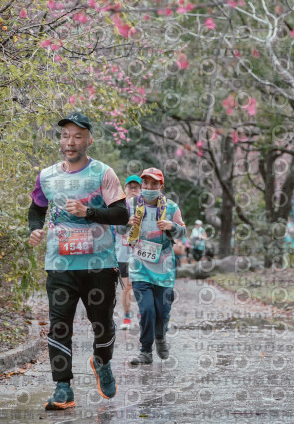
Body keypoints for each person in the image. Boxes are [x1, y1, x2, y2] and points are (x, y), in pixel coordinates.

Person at [28, 112, 129, 410]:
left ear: (89, 140)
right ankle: (63, 388)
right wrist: (35, 229)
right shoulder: (47, 176)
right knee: (59, 325)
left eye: (77, 136)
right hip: (60, 265)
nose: (70, 142)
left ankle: (102, 362)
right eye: (65, 136)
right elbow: (36, 209)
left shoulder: (103, 173)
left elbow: (121, 214)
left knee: (102, 325)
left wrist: (89, 212)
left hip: (100, 265)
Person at [116, 167, 186, 365]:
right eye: (146, 183)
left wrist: (172, 226)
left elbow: (182, 232)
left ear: (160, 186)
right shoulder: (130, 205)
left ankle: (160, 337)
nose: (149, 187)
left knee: (162, 311)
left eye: (154, 184)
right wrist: (127, 222)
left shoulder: (171, 207)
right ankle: (145, 351)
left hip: (164, 269)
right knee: (147, 310)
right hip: (139, 268)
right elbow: (119, 229)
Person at [114, 174, 142, 330]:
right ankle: (126, 318)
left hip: (142, 254)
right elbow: (119, 229)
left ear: (141, 190)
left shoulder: (147, 207)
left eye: (136, 187)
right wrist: (128, 221)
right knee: (127, 286)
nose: (133, 190)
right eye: (130, 187)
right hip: (123, 253)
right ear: (125, 189)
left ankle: (143, 315)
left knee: (142, 285)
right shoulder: (120, 207)